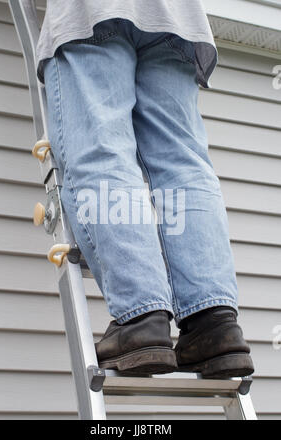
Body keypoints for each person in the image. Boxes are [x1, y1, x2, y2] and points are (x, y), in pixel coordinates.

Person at [36, 1, 254, 378]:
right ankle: (212, 325)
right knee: (184, 164)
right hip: (176, 18)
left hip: (94, 11)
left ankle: (141, 318)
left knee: (101, 150)